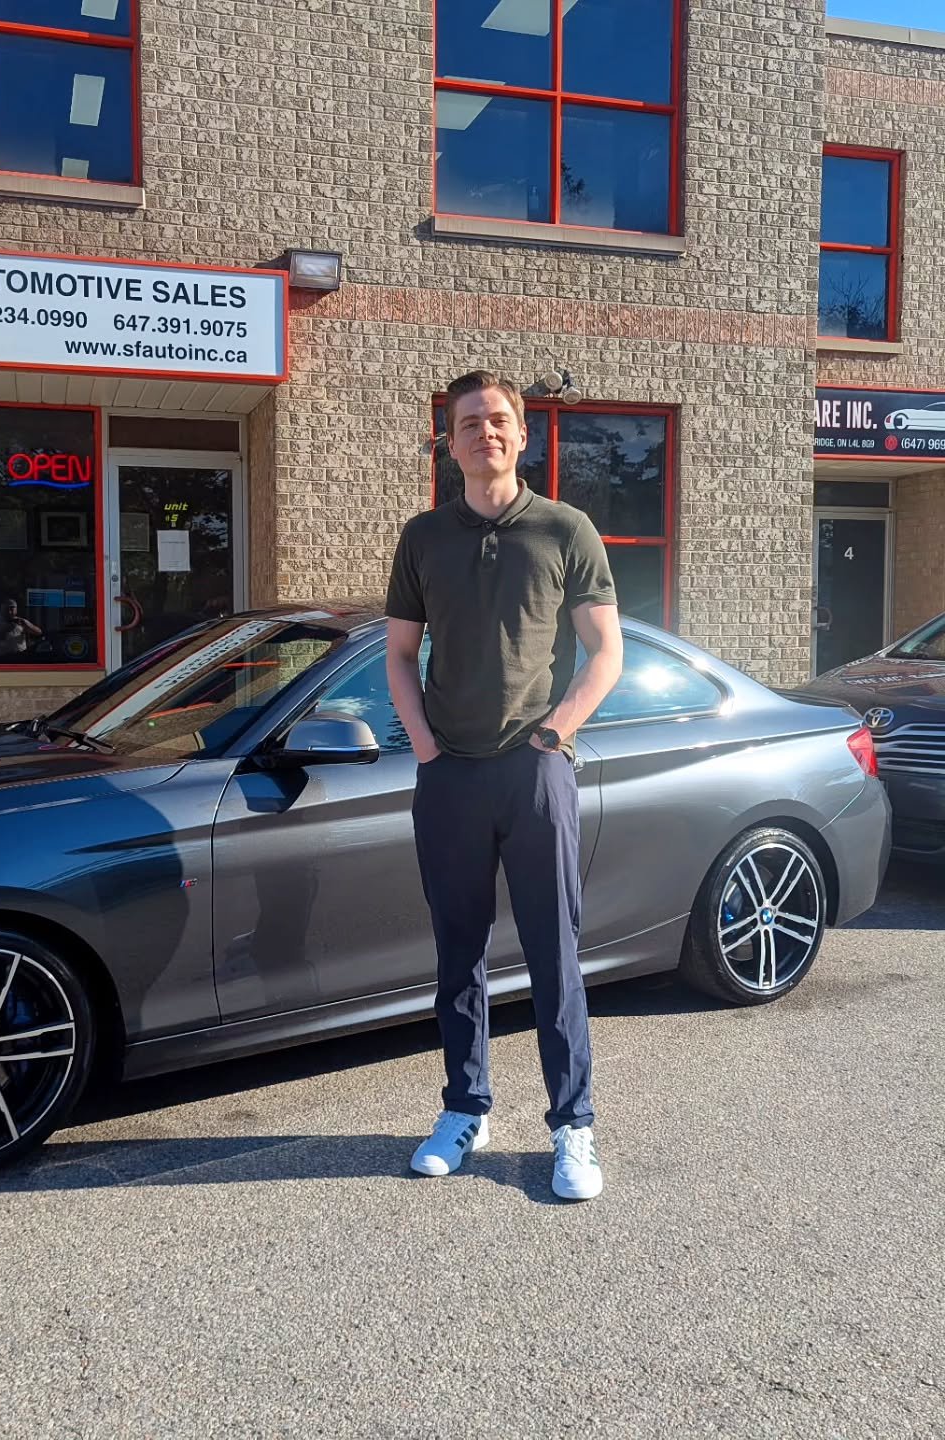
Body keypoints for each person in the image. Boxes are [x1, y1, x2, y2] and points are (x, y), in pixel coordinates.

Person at [385, 370, 624, 1201]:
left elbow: (606, 653)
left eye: (497, 420)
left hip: (535, 774)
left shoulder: (565, 529)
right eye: (468, 423)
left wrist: (554, 735)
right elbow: (399, 655)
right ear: (448, 444)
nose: (484, 432)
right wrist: (425, 747)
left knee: (555, 954)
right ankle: (465, 1109)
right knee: (458, 953)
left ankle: (573, 1126)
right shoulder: (423, 537)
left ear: (522, 436)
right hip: (449, 775)